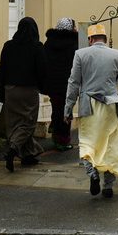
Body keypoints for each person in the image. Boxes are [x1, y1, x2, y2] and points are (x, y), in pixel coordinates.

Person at [64, 24, 118, 198]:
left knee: (88, 143)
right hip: (112, 107)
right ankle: (108, 186)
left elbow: (73, 83)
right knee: (110, 146)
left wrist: (68, 110)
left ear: (90, 39)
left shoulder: (80, 54)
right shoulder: (117, 55)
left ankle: (92, 174)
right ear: (105, 39)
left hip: (88, 106)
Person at [0, 16, 47, 172]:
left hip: (10, 90)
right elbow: (42, 71)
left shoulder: (8, 46)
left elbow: (2, 71)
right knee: (28, 123)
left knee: (14, 123)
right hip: (29, 90)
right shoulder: (37, 47)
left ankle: (28, 156)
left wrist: (1, 93)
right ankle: (12, 149)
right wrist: (44, 88)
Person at [42, 17, 79, 151]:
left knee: (57, 108)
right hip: (68, 84)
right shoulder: (74, 44)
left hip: (52, 84)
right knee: (66, 111)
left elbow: (44, 62)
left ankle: (56, 132)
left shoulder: (49, 43)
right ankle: (63, 140)